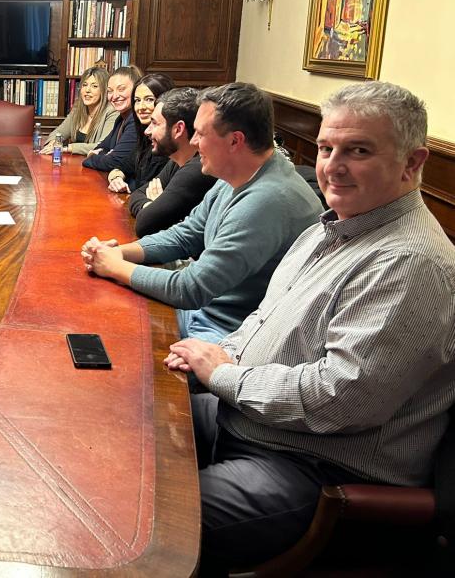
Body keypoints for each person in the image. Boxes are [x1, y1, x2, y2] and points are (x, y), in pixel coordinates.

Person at [164, 82, 455, 573]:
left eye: (358, 150)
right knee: (132, 421)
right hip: (252, 420)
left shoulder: (411, 262)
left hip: (315, 466)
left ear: (413, 162)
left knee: (151, 518)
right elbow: (262, 318)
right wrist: (205, 360)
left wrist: (221, 375)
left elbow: (342, 398)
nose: (333, 165)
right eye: (325, 148)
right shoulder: (332, 225)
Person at [81, 82, 322, 342]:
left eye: (201, 134)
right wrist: (118, 252)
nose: (193, 142)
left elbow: (191, 288)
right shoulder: (236, 174)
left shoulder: (267, 200)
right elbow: (186, 234)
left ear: (234, 141)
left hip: (221, 333)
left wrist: (115, 267)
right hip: (199, 313)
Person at [129, 87, 217, 237]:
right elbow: (137, 194)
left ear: (178, 129)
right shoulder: (177, 159)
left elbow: (145, 224)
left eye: (155, 124)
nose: (147, 131)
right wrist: (151, 205)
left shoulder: (198, 168)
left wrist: (155, 208)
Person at [107, 73, 174, 193]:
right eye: (137, 100)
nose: (141, 107)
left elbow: (146, 192)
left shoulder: (170, 146)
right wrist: (116, 179)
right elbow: (120, 167)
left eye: (149, 100)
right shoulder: (145, 140)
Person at [40, 66, 117, 156]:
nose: (87, 90)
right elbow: (58, 133)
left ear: (104, 90)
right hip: (75, 164)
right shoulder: (78, 109)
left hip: (95, 166)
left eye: (94, 86)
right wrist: (53, 143)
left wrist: (67, 148)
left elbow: (102, 147)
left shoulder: (112, 112)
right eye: (84, 85)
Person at [81, 65, 143, 172]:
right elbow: (99, 147)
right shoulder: (120, 119)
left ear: (136, 90)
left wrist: (93, 157)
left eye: (121, 89)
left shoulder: (136, 119)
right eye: (110, 91)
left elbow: (114, 162)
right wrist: (106, 155)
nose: (114, 96)